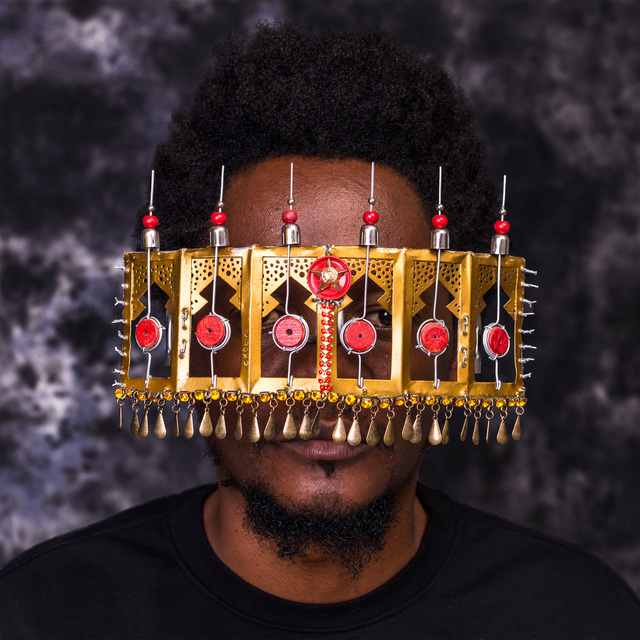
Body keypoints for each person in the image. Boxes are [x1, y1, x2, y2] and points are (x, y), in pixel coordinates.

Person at [1, 24, 638, 640]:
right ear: (189, 334)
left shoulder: (576, 617)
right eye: (271, 319)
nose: (322, 381)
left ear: (455, 343)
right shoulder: (44, 615)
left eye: (378, 318)